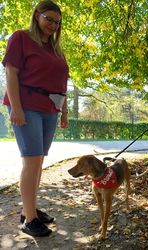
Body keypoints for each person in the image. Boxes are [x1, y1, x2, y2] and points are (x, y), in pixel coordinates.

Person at [2, 0, 69, 236]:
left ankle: (28, 210)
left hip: (50, 109)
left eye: (57, 22)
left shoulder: (56, 49)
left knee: (39, 161)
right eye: (49, 18)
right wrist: (16, 108)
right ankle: (29, 220)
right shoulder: (21, 38)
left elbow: (62, 82)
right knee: (31, 161)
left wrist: (64, 110)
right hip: (27, 106)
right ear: (37, 15)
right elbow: (11, 71)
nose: (53, 24)